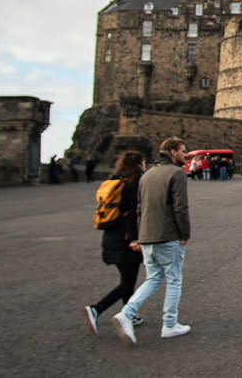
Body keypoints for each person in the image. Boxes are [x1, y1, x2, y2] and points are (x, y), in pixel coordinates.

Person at [113, 136, 192, 344]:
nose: (185, 154)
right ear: (173, 152)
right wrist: (185, 234)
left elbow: (138, 208)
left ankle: (126, 313)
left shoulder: (147, 175)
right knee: (174, 279)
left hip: (147, 236)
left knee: (153, 278)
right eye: (183, 151)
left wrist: (138, 236)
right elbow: (180, 208)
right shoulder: (177, 173)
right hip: (168, 235)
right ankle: (170, 324)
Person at [84, 151, 145, 335]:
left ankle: (130, 314)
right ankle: (97, 308)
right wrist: (135, 238)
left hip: (110, 236)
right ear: (139, 165)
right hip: (126, 238)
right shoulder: (133, 184)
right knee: (127, 282)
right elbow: (133, 214)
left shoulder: (114, 180)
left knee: (127, 279)